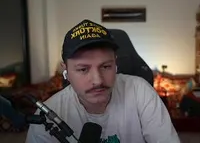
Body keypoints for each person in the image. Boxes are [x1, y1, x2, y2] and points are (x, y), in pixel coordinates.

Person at [27, 20, 180, 143]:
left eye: (106, 67)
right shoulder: (46, 117)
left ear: (116, 63)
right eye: (83, 69)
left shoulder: (141, 92)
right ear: (65, 70)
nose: (98, 80)